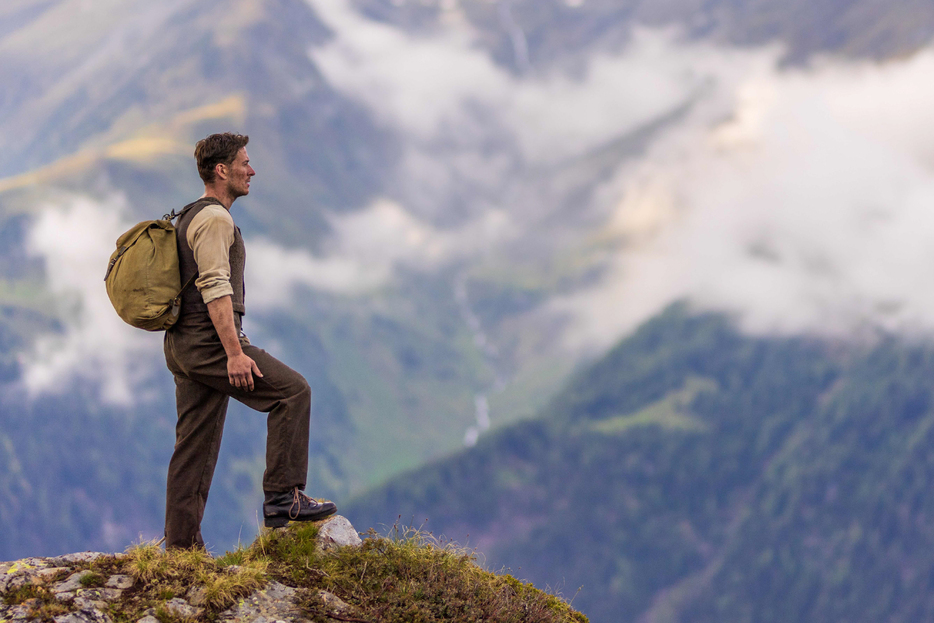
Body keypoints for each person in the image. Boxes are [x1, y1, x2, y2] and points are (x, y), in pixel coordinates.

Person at [162, 132, 336, 549]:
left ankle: (181, 548)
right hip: (210, 346)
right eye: (244, 162)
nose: (252, 169)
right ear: (221, 170)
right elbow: (215, 287)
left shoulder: (189, 214)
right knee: (293, 392)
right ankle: (283, 497)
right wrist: (235, 352)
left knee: (194, 444)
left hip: (182, 345)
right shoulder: (215, 219)